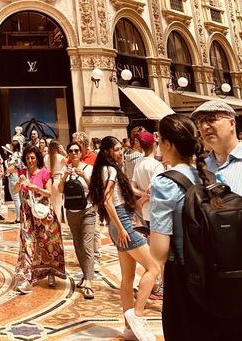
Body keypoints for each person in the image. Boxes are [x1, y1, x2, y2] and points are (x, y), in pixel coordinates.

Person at [149, 113, 242, 340]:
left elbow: (160, 251)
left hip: (186, 278)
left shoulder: (164, 183)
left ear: (168, 144)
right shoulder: (213, 177)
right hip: (221, 274)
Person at [191, 99, 242, 340]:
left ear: (232, 122)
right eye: (200, 121)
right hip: (215, 295)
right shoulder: (198, 173)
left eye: (212, 119)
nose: (205, 126)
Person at [89, 136, 160, 341]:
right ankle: (137, 315)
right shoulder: (110, 170)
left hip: (122, 221)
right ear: (107, 152)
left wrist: (144, 196)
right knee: (154, 268)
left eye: (121, 149)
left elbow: (126, 204)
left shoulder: (111, 170)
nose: (121, 152)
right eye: (117, 149)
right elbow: (107, 201)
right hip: (122, 223)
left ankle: (128, 328)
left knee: (127, 278)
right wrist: (121, 229)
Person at [12, 144, 65, 294]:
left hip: (43, 215)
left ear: (38, 158)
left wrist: (35, 189)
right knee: (27, 243)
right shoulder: (23, 172)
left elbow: (49, 193)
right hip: (27, 215)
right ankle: (26, 278)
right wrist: (19, 182)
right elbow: (15, 191)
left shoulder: (44, 172)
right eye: (28, 158)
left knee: (48, 243)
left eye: (33, 158)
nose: (30, 161)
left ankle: (50, 273)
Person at [58, 141, 95, 299]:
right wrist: (64, 177)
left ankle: (89, 281)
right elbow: (59, 190)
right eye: (71, 151)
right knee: (78, 245)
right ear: (68, 154)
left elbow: (94, 189)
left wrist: (84, 176)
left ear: (81, 153)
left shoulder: (89, 168)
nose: (74, 153)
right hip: (71, 212)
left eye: (77, 151)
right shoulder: (64, 169)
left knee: (87, 245)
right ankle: (85, 275)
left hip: (88, 210)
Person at [131, 131, 163, 233]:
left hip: (145, 211)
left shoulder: (139, 163)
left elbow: (133, 187)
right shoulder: (157, 165)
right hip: (158, 211)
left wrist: (142, 195)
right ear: (154, 144)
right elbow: (152, 190)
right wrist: (146, 195)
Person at [3, 140, 22, 223]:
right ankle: (22, 216)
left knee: (16, 198)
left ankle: (18, 217)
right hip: (20, 176)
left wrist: (6, 169)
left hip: (14, 177)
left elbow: (12, 168)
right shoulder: (20, 154)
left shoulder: (13, 156)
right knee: (20, 198)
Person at [48, 139, 67, 219]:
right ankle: (58, 227)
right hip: (58, 180)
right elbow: (70, 161)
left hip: (49, 181)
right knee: (58, 206)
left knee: (51, 205)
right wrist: (64, 152)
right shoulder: (60, 157)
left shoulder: (46, 157)